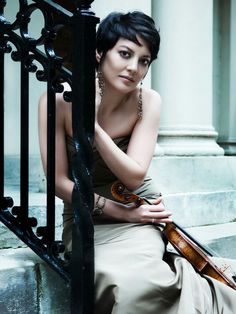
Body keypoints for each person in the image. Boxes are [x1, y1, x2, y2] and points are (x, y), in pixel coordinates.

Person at [38, 11, 236, 314]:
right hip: (85, 217)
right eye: (125, 54)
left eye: (144, 60)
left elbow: (133, 176)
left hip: (140, 208)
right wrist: (121, 213)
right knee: (120, 280)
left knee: (141, 282)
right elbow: (57, 181)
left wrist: (92, 129)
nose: (134, 68)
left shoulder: (148, 101)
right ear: (100, 52)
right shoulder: (58, 100)